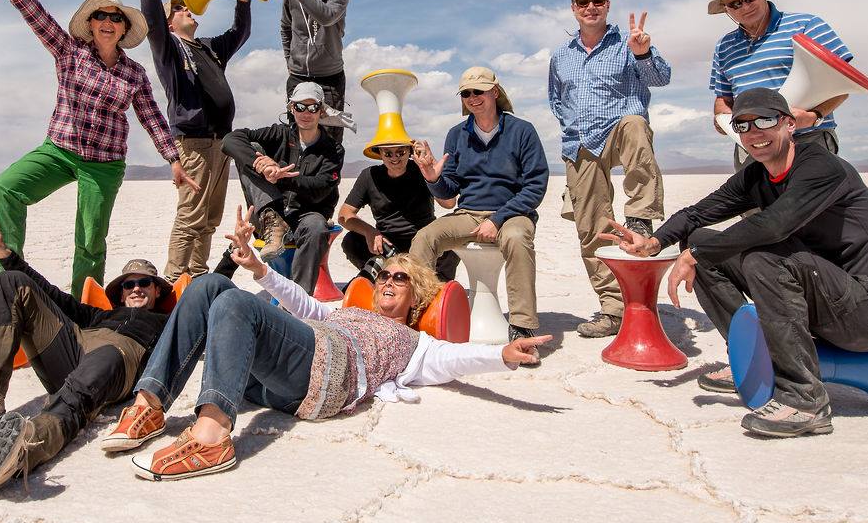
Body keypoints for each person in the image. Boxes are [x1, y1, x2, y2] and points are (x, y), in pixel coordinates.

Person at [100, 205, 549, 480]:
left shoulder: (414, 342)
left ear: (417, 297)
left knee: (235, 305)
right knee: (207, 287)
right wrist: (257, 267)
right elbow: (302, 304)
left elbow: (456, 359)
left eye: (401, 279)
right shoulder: (349, 312)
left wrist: (502, 355)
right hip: (284, 370)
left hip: (324, 377)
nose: (389, 281)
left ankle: (212, 434)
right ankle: (149, 405)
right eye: (385, 275)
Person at [603, 88, 868, 438]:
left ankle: (805, 401)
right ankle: (751, 358)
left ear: (789, 124)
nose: (754, 133)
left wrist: (697, 255)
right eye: (743, 126)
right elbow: (699, 213)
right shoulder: (757, 174)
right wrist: (654, 243)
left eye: (765, 121)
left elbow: (775, 225)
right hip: (820, 299)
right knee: (702, 240)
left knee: (762, 256)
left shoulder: (820, 167)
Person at [0, 0, 198, 303]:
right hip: (59, 150)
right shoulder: (69, 52)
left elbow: (153, 118)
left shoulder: (134, 74)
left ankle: (82, 304)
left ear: (124, 29)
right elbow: (36, 16)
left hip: (104, 164)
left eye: (115, 18)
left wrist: (173, 159)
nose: (108, 22)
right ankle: (3, 276)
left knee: (91, 238)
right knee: (5, 188)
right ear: (90, 24)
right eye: (100, 16)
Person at [0, 215, 174, 499]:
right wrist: (6, 256)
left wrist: (229, 260)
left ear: (156, 289)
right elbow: (51, 295)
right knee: (11, 281)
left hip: (118, 360)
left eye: (145, 282)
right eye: (128, 284)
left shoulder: (169, 322)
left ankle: (27, 445)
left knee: (102, 363)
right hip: (75, 347)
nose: (136, 288)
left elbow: (203, 307)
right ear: (120, 294)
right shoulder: (99, 314)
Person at [548, 0, 672, 338]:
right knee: (592, 229)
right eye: (583, 2)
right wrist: (572, 124)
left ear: (608, 4)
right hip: (580, 143)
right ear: (573, 8)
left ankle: (640, 218)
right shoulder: (562, 55)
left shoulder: (627, 44)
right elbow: (556, 100)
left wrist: (643, 52)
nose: (590, 8)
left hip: (618, 130)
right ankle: (614, 309)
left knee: (634, 124)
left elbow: (660, 78)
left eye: (597, 1)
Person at [127, 0, 252, 282]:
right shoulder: (169, 49)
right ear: (169, 24)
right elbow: (151, 19)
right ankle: (171, 281)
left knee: (210, 218)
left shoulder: (209, 48)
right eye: (179, 10)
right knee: (190, 218)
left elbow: (240, 33)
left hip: (220, 145)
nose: (188, 10)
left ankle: (195, 276)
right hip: (194, 145)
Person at [411, 67, 549, 344]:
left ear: (494, 93)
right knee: (426, 237)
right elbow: (449, 191)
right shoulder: (457, 134)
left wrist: (498, 219)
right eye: (466, 93)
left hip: (513, 213)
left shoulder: (522, 131)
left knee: (517, 238)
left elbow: (535, 185)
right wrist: (432, 177)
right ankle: (419, 317)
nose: (473, 97)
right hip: (469, 213)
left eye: (479, 91)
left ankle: (522, 328)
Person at [707, 0, 856, 169]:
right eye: (735, 3)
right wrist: (726, 122)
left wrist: (814, 117)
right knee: (754, 202)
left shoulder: (807, 25)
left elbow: (843, 83)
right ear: (726, 9)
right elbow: (723, 98)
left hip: (807, 140)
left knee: (812, 201)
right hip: (751, 148)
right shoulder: (724, 46)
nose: (744, 7)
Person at [219, 82, 345, 293]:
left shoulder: (332, 149)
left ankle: (298, 302)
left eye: (312, 107)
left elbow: (322, 187)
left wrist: (280, 177)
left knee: (316, 227)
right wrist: (262, 167)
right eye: (300, 107)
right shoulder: (279, 134)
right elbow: (230, 140)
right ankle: (272, 220)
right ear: (291, 108)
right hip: (269, 216)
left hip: (307, 215)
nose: (306, 113)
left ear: (321, 110)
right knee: (251, 150)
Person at [337, 140, 459, 282]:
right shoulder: (369, 176)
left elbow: (449, 203)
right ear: (380, 154)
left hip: (424, 241)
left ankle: (436, 283)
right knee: (351, 241)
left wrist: (431, 172)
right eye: (388, 153)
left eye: (400, 152)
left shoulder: (422, 170)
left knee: (451, 244)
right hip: (387, 245)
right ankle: (381, 277)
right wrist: (370, 231)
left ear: (409, 152)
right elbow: (344, 215)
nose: (395, 158)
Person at [267, 0, 352, 143]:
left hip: (329, 79)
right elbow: (286, 28)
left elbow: (326, 16)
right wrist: (290, 61)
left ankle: (329, 175)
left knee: (330, 141)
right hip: (297, 77)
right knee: (296, 139)